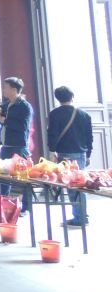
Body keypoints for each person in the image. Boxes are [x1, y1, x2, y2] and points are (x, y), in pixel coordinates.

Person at [46, 86, 93, 227]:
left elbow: (52, 134)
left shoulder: (54, 114)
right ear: (72, 96)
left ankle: (79, 217)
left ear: (58, 98)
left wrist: (52, 151)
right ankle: (82, 215)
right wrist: (88, 154)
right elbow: (89, 137)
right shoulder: (84, 115)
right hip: (81, 153)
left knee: (71, 186)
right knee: (81, 185)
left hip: (64, 154)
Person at [0, 77, 33, 206]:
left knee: (22, 178)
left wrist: (5, 121)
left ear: (14, 90)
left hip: (19, 146)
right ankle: (3, 205)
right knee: (2, 177)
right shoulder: (8, 104)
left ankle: (26, 207)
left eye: (6, 87)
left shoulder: (24, 106)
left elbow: (23, 127)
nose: (3, 90)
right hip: (6, 145)